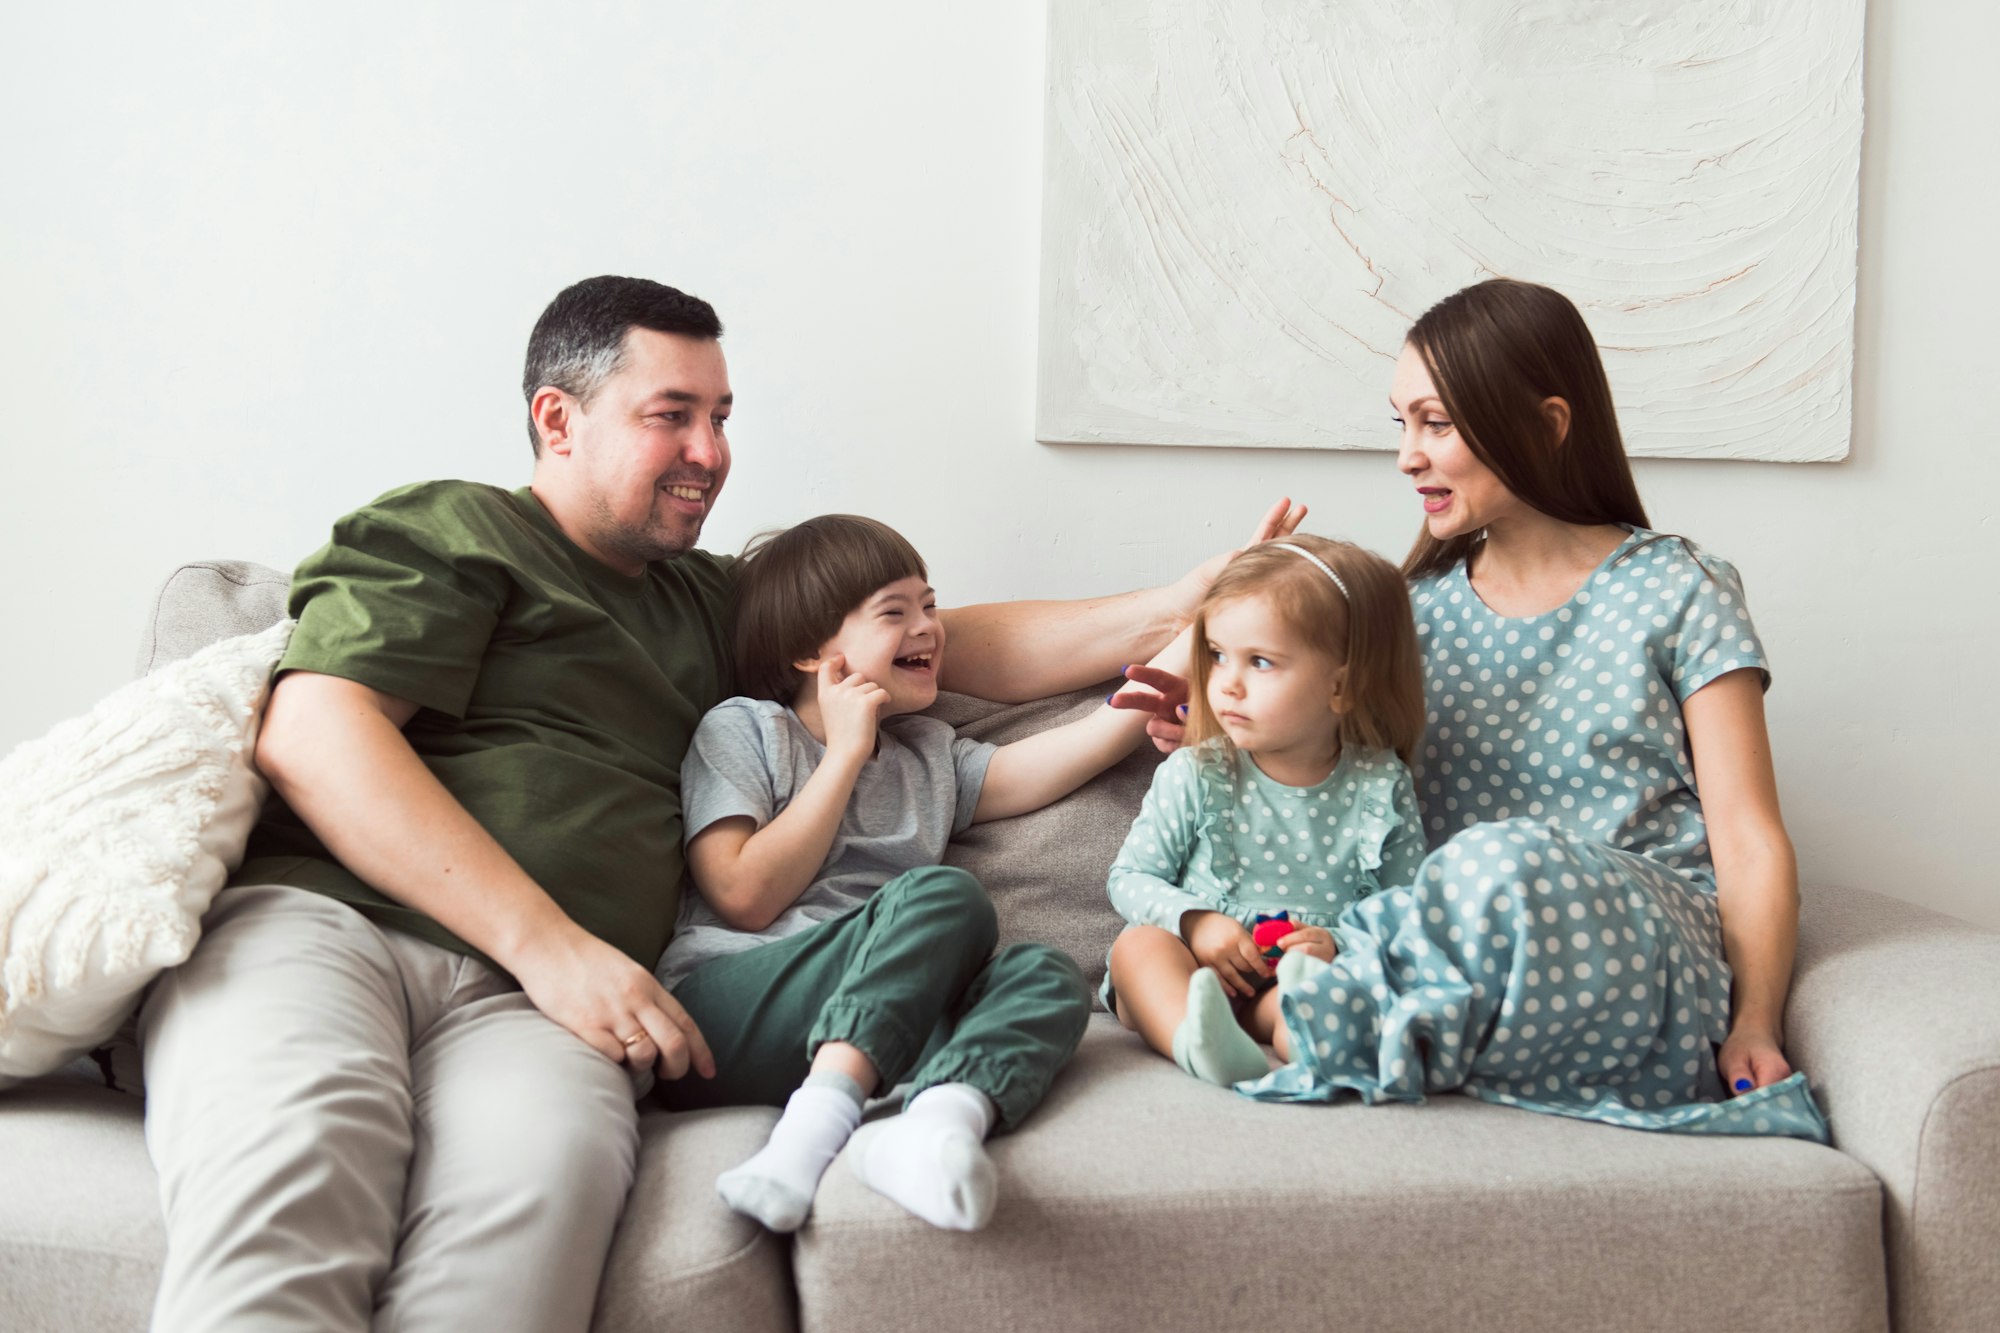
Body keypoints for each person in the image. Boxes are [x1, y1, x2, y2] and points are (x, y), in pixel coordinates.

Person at [135, 274, 1303, 1333]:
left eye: (723, 415)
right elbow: (315, 733)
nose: (711, 451)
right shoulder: (457, 531)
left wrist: (1182, 603)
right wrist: (550, 948)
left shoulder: (708, 602)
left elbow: (943, 644)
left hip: (546, 1014)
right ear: (557, 419)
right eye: (672, 415)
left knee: (526, 1233)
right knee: (295, 1187)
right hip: (340, 931)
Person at [1117, 279, 1827, 1140]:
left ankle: (1367, 1022)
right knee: (1403, 919)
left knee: (1502, 859)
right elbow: (1331, 777)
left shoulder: (1680, 589)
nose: (1407, 456)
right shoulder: (1408, 615)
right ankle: (1324, 1035)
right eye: (1401, 424)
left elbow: (1749, 840)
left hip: (1629, 949)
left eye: (1436, 424)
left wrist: (1755, 1023)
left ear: (1548, 424)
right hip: (1454, 959)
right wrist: (1227, 723)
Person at [650, 513, 1185, 1233]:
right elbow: (742, 895)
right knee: (946, 897)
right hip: (723, 1015)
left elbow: (1077, 747)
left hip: (869, 1022)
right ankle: (812, 1130)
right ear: (811, 651)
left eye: (929, 605)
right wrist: (845, 753)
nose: (928, 627)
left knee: (1046, 974)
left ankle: (932, 1126)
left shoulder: (929, 754)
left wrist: (1199, 639)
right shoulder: (745, 728)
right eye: (894, 612)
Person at [1101, 535, 1429, 1088]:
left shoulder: (1380, 785)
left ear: (1342, 685)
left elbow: (1406, 914)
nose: (1227, 684)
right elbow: (1129, 878)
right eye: (1217, 655)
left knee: (1317, 986)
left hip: (1292, 973)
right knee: (1139, 946)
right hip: (1194, 965)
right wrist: (1196, 922)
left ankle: (1303, 1031)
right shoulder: (1196, 771)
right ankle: (1193, 1037)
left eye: (1260, 662)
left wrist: (1337, 944)